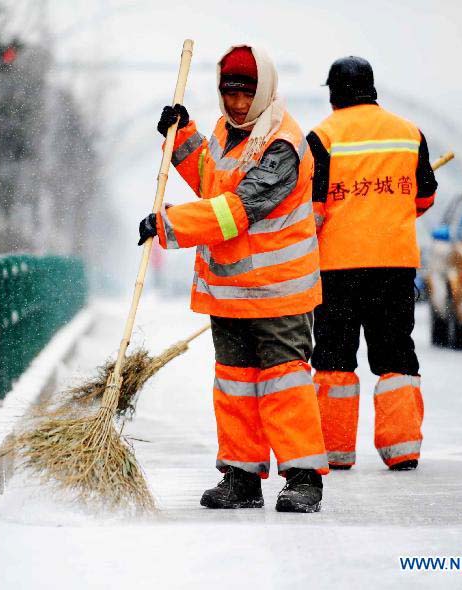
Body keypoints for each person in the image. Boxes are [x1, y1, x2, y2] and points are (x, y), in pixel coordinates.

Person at [138, 45, 329, 513]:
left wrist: (170, 226)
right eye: (230, 94)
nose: (238, 104)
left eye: (247, 94)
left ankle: (303, 479)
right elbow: (210, 177)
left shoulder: (283, 143)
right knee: (235, 387)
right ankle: (241, 478)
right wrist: (181, 138)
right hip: (229, 294)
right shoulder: (226, 132)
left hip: (279, 293)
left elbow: (237, 210)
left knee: (285, 385)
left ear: (265, 91)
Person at [307, 56, 437, 471]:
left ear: (333, 93)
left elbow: (313, 211)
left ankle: (335, 451)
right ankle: (403, 450)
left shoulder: (321, 138)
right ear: (372, 88)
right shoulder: (408, 133)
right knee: (396, 356)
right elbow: (425, 198)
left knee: (334, 359)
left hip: (337, 270)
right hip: (394, 267)